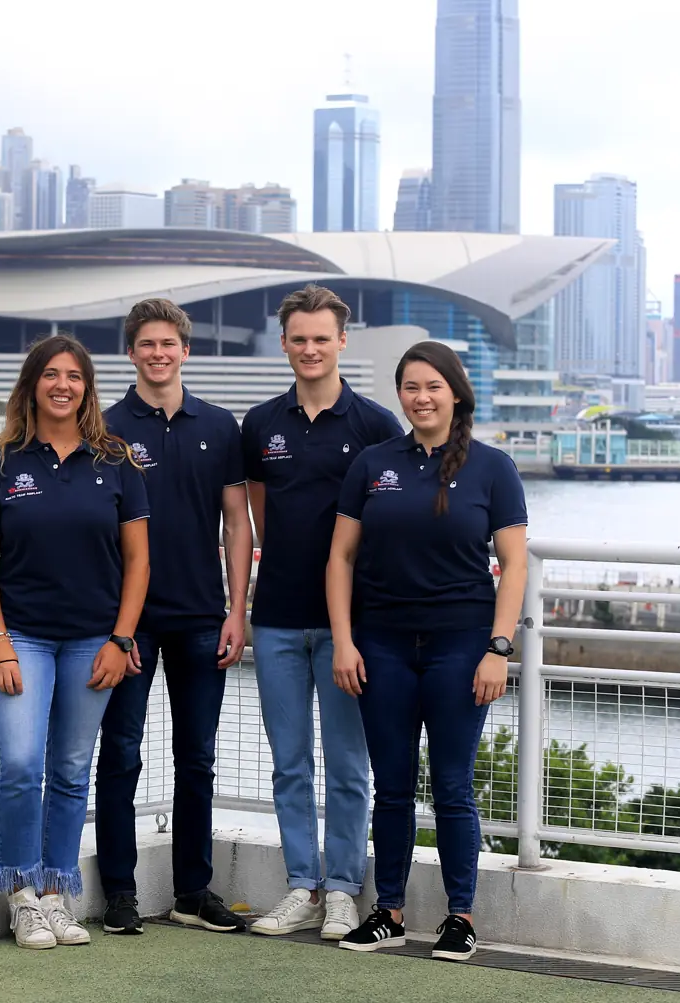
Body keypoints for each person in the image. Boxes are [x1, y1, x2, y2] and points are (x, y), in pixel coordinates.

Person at [325, 340, 528, 962]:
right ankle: (388, 912)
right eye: (411, 387)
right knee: (390, 786)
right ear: (400, 395)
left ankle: (459, 917)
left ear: (456, 394)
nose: (422, 398)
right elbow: (341, 558)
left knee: (452, 786)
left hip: (461, 648)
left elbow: (514, 565)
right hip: (381, 644)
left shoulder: (493, 468)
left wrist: (498, 649)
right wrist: (344, 641)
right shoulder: (374, 464)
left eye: (433, 386)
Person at [0, 334, 151, 950]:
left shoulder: (116, 460)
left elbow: (138, 561)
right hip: (23, 636)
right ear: (32, 385)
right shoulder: (1, 462)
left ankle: (55, 893)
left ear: (87, 387)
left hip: (94, 640)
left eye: (74, 376)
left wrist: (121, 639)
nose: (62, 385)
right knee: (22, 764)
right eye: (51, 374)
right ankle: (20, 894)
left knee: (71, 770)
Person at [239, 285, 403, 940]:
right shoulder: (260, 424)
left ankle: (342, 889)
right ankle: (301, 885)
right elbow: (259, 515)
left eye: (321, 338)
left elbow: (386, 523)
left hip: (349, 628)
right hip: (276, 617)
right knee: (289, 764)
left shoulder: (375, 426)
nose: (310, 349)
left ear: (342, 341)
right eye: (299, 338)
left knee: (347, 765)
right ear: (284, 344)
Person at [95, 299, 255, 935]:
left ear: (186, 351)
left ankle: (193, 890)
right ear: (130, 352)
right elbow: (97, 533)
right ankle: (119, 892)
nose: (158, 354)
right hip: (131, 623)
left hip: (202, 617)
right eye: (147, 344)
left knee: (197, 760)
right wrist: (116, 628)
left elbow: (237, 523)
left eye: (168, 344)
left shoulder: (219, 426)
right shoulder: (105, 429)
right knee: (121, 755)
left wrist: (238, 610)